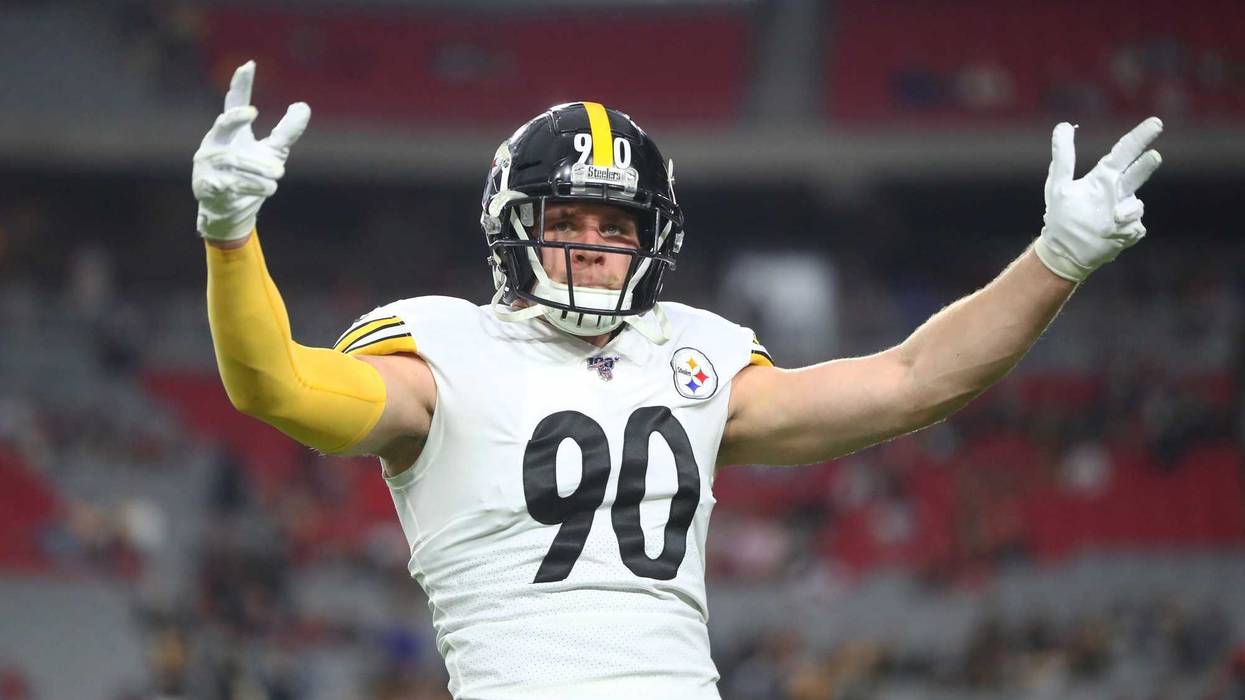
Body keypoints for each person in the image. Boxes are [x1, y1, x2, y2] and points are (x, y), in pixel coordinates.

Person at [193, 61, 1163, 699]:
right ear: (515, 223)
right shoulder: (443, 355)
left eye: (620, 227)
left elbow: (912, 379)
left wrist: (1056, 259)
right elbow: (272, 383)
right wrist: (230, 234)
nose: (600, 245)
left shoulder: (692, 356)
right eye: (573, 217)